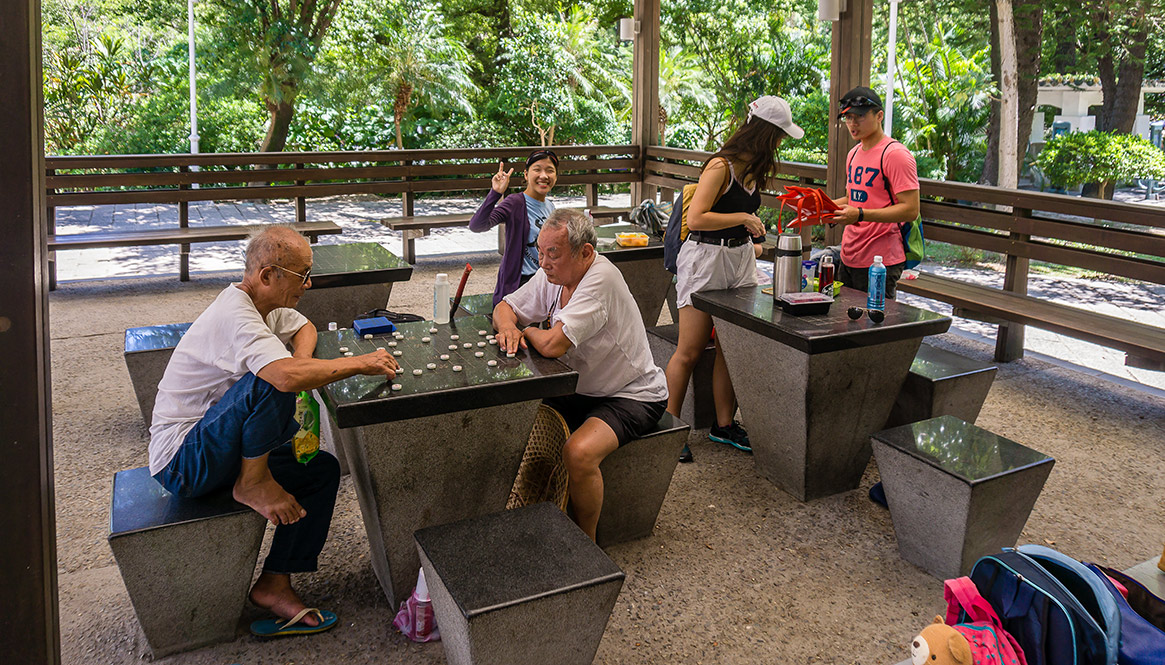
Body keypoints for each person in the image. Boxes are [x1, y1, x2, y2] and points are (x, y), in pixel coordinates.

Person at [148, 226, 399, 635]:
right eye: (302, 275)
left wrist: (299, 359)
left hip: (217, 449)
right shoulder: (236, 313)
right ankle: (253, 481)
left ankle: (275, 581)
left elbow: (305, 327)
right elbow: (281, 377)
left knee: (321, 471)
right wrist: (362, 363)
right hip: (183, 462)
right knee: (272, 379)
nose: (309, 283)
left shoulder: (267, 304)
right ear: (268, 275)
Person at [494, 209, 668, 541]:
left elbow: (552, 344)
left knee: (578, 452)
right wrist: (507, 326)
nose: (543, 263)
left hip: (630, 393)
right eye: (540, 252)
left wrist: (526, 331)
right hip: (579, 385)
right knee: (510, 413)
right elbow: (506, 307)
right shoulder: (554, 275)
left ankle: (585, 544)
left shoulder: (600, 278)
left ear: (585, 252)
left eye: (553, 255)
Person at [664, 95, 803, 463]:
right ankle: (669, 427)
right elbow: (696, 218)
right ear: (765, 133)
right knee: (689, 351)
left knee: (731, 346)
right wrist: (742, 217)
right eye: (779, 137)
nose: (780, 145)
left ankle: (723, 425)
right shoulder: (720, 167)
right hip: (705, 260)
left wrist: (748, 235)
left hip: (738, 260)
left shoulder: (752, 171)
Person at [830, 86, 920, 299]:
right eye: (848, 118)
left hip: (881, 261)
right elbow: (855, 197)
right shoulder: (853, 153)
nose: (852, 123)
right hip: (849, 254)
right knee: (843, 323)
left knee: (873, 326)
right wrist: (821, 206)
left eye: (859, 117)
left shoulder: (896, 154)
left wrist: (860, 214)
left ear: (879, 115)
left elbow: (910, 209)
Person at [469, 149, 559, 306]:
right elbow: (477, 225)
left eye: (549, 170)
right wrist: (495, 193)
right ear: (526, 174)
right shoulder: (515, 203)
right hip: (520, 285)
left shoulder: (551, 207)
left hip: (545, 282)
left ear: (555, 177)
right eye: (537, 169)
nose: (543, 176)